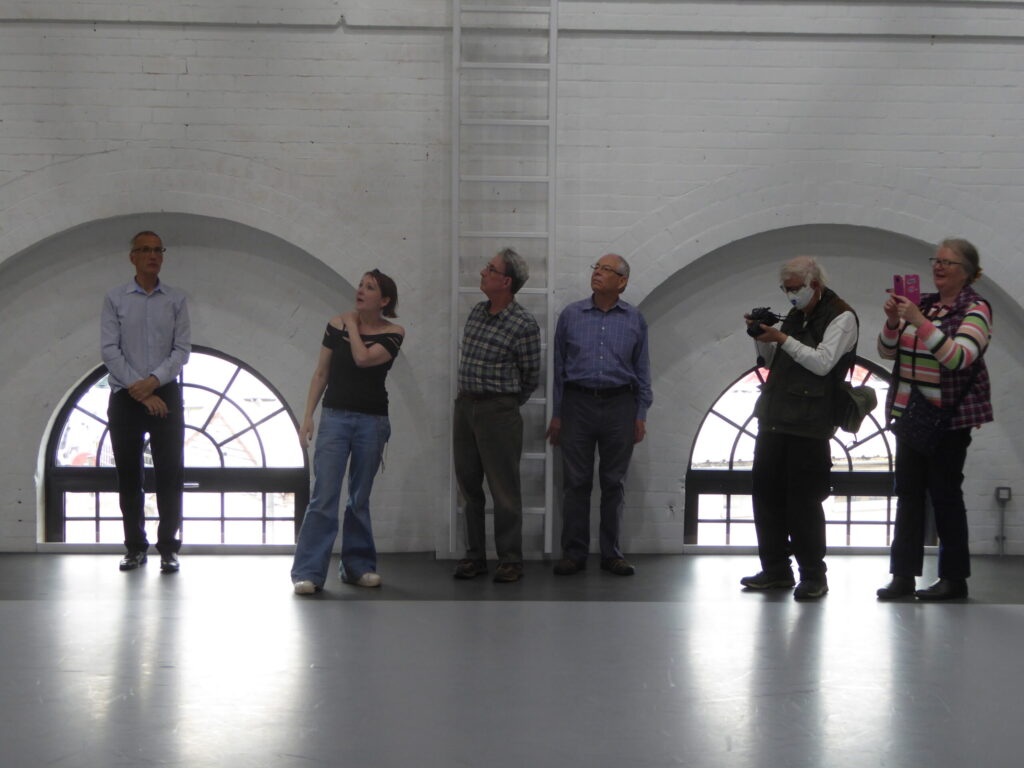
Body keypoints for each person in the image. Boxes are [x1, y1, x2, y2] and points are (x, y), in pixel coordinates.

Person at [875, 239, 992, 601]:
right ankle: (903, 576)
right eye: (936, 261)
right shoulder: (921, 304)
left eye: (948, 262)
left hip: (948, 420)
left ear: (968, 272)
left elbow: (958, 357)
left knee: (944, 496)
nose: (938, 267)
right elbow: (886, 350)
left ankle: (954, 579)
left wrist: (918, 322)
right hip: (910, 415)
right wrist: (894, 321)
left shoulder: (976, 309)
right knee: (908, 497)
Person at [741, 256, 857, 600]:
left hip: (811, 423)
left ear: (814, 285)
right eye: (786, 288)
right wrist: (762, 337)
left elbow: (822, 363)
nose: (790, 295)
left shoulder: (842, 316)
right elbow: (774, 360)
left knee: (804, 502)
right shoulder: (794, 315)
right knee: (765, 496)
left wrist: (782, 337)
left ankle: (813, 575)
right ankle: (776, 570)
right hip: (775, 418)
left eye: (795, 288)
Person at [291, 270, 404, 594]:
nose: (360, 291)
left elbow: (364, 358)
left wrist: (353, 325)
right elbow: (321, 372)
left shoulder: (394, 332)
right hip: (335, 417)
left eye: (369, 288)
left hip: (372, 421)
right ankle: (309, 572)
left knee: (359, 498)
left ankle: (358, 566)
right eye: (361, 285)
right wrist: (308, 416)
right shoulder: (334, 325)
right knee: (324, 494)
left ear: (383, 300)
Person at [546, 254, 652, 577]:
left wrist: (641, 412)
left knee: (613, 482)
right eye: (596, 267)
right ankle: (574, 553)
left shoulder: (635, 319)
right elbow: (558, 368)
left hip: (621, 405)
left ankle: (611, 553)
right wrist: (557, 413)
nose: (598, 273)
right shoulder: (571, 315)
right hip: (577, 403)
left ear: (622, 281)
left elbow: (642, 369)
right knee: (576, 482)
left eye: (607, 270)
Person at [101, 231, 191, 573]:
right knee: (129, 474)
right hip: (125, 394)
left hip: (164, 392)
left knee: (170, 472)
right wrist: (138, 388)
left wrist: (152, 384)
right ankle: (135, 547)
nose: (153, 255)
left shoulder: (176, 299)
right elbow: (110, 349)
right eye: (145, 250)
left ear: (162, 256)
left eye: (158, 250)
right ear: (132, 257)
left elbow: (181, 349)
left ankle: (168, 547)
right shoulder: (114, 299)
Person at [452, 248, 541, 583]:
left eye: (490, 269)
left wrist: (503, 403)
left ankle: (510, 559)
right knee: (469, 486)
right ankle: (474, 556)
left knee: (503, 489)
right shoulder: (477, 312)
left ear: (505, 281)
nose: (482, 272)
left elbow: (531, 375)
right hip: (465, 407)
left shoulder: (523, 324)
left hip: (498, 410)